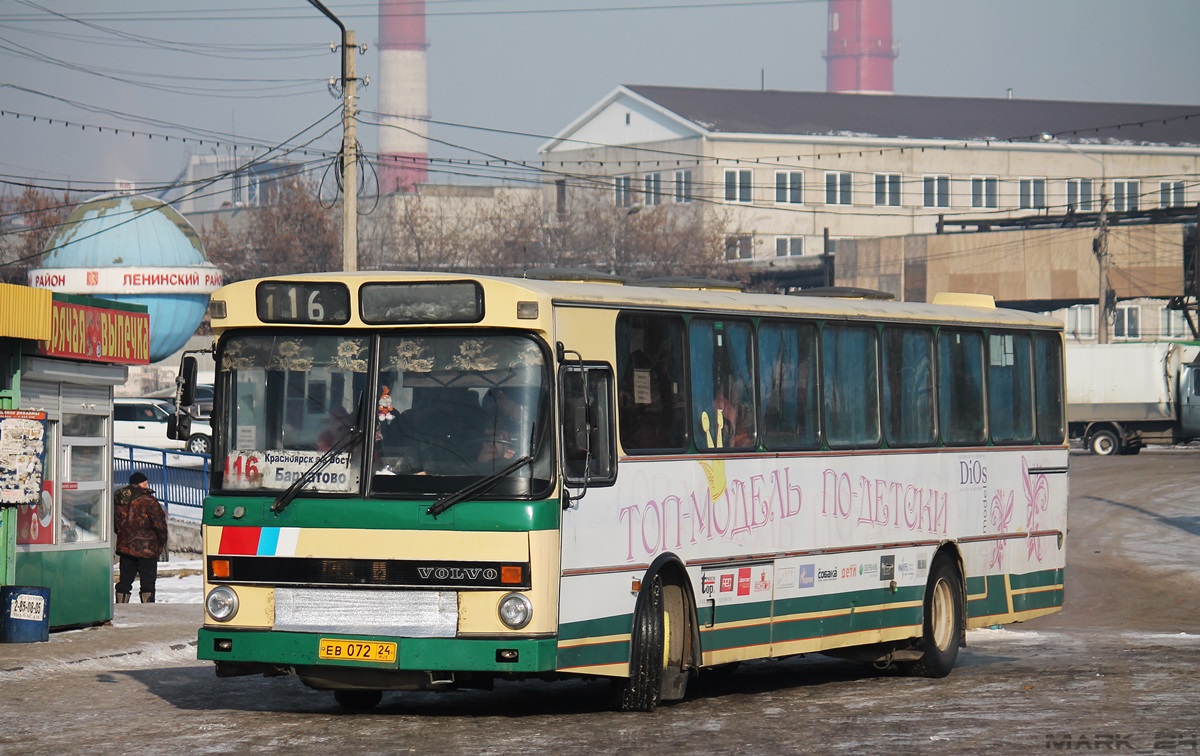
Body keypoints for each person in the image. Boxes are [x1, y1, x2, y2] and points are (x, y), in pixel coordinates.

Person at [113, 472, 168, 604]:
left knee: (125, 580)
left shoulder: (120, 499)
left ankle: (121, 605)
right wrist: (162, 540)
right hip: (147, 549)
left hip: (126, 547)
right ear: (140, 484)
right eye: (145, 483)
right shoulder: (149, 501)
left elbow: (116, 525)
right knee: (148, 581)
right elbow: (159, 524)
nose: (147, 485)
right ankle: (148, 607)